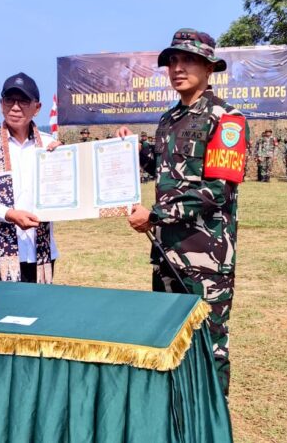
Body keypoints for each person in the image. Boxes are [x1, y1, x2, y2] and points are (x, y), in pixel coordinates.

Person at [117, 28, 249, 396]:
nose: (178, 68)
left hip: (206, 257)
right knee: (168, 341)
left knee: (209, 343)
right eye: (172, 61)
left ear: (209, 67)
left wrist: (155, 216)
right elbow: (164, 169)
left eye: (188, 60)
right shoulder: (168, 120)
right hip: (166, 253)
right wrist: (132, 150)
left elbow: (218, 191)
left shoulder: (227, 119)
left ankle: (212, 420)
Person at [0, 72, 61, 283]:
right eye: (10, 100)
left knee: (40, 305)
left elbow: (66, 192)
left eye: (23, 101)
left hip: (40, 254)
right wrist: (9, 214)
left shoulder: (50, 147)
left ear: (37, 107)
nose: (15, 107)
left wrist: (65, 162)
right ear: (1, 104)